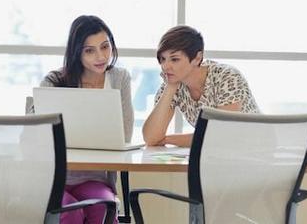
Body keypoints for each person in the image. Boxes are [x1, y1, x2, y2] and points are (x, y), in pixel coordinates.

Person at [41, 15, 132, 224]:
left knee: (101, 207)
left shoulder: (119, 79)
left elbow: (124, 134)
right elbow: (31, 133)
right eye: (89, 50)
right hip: (54, 179)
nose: (100, 56)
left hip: (95, 179)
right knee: (70, 212)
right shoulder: (54, 82)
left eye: (105, 46)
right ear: (76, 53)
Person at [142, 25, 259, 147]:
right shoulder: (173, 82)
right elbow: (151, 138)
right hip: (221, 152)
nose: (165, 66)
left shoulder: (227, 76)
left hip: (257, 149)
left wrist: (168, 139)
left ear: (197, 58)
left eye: (174, 59)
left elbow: (222, 134)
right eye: (163, 59)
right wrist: (171, 87)